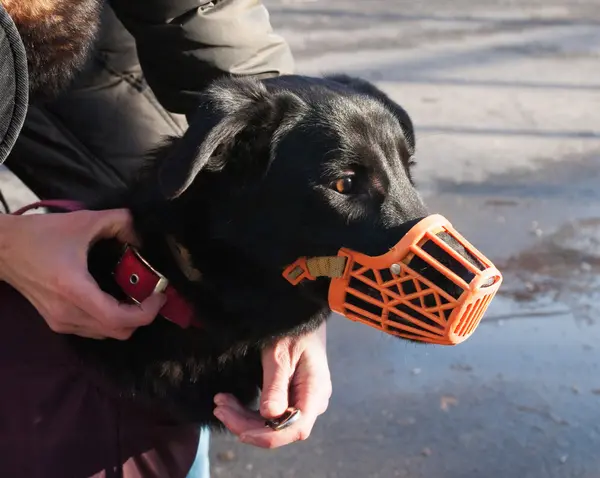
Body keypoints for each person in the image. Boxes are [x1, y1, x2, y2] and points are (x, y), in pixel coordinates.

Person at [0, 1, 332, 476]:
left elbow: (205, 12)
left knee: (185, 280)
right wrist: (5, 247)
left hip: (74, 50)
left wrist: (292, 291)